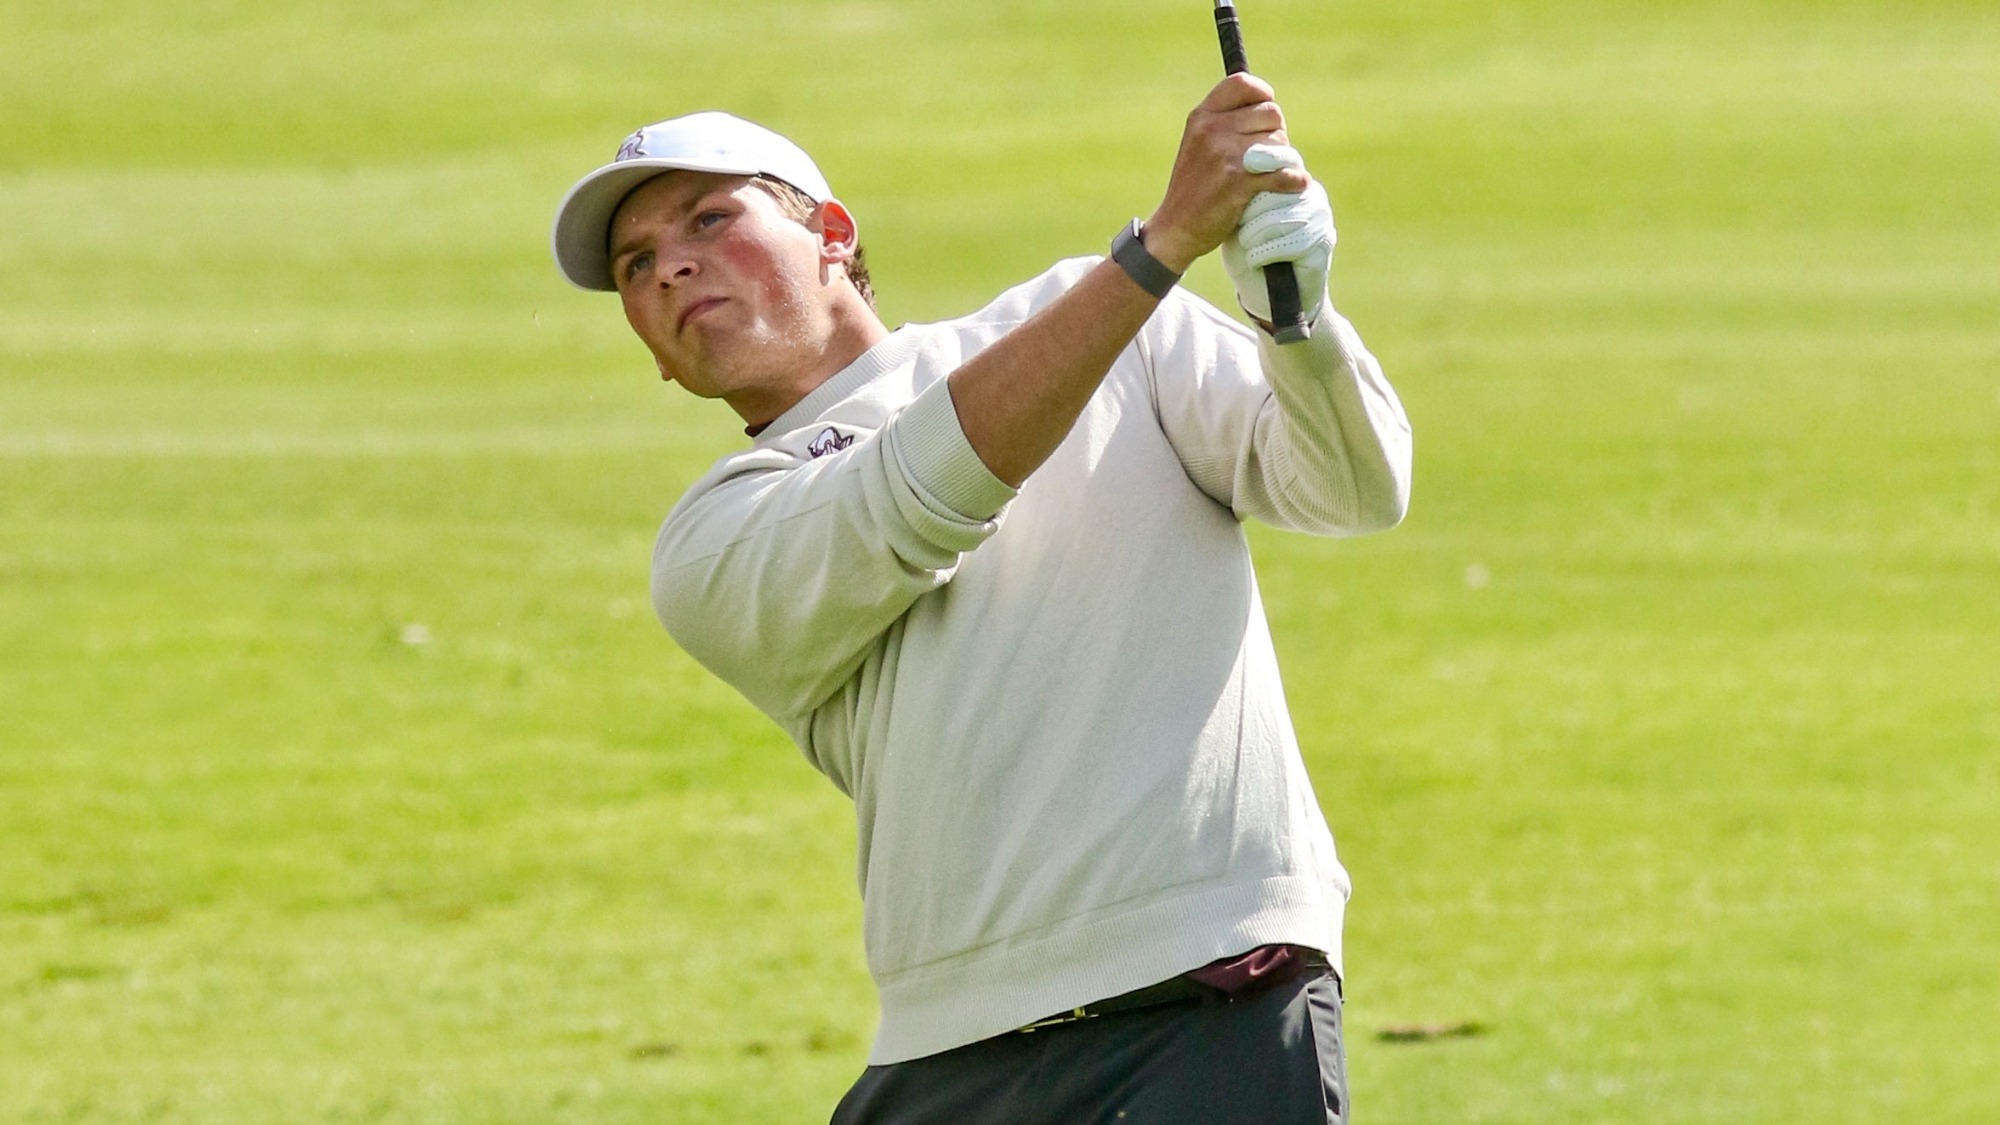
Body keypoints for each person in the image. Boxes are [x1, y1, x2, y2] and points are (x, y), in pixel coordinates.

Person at [551, 75, 1411, 1124]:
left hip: (1211, 993)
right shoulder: (714, 539)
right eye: (635, 265)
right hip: (946, 1053)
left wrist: (1296, 321)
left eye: (710, 217)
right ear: (651, 349)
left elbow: (1352, 490)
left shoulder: (1110, 327)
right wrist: (1155, 253)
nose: (673, 264)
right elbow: (917, 495)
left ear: (831, 232)